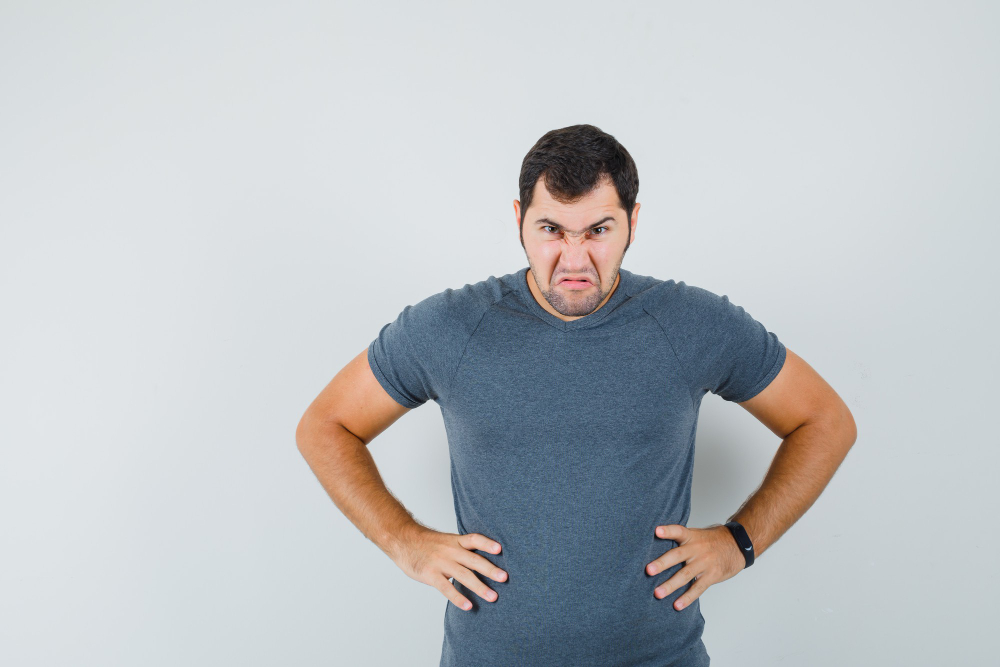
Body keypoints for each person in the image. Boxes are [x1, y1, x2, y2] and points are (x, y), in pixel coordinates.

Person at [296, 124, 858, 666]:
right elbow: (326, 426)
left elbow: (824, 420)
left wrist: (741, 543)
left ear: (632, 223)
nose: (573, 259)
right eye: (551, 230)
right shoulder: (451, 328)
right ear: (519, 221)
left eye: (598, 230)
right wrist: (405, 542)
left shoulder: (690, 324)